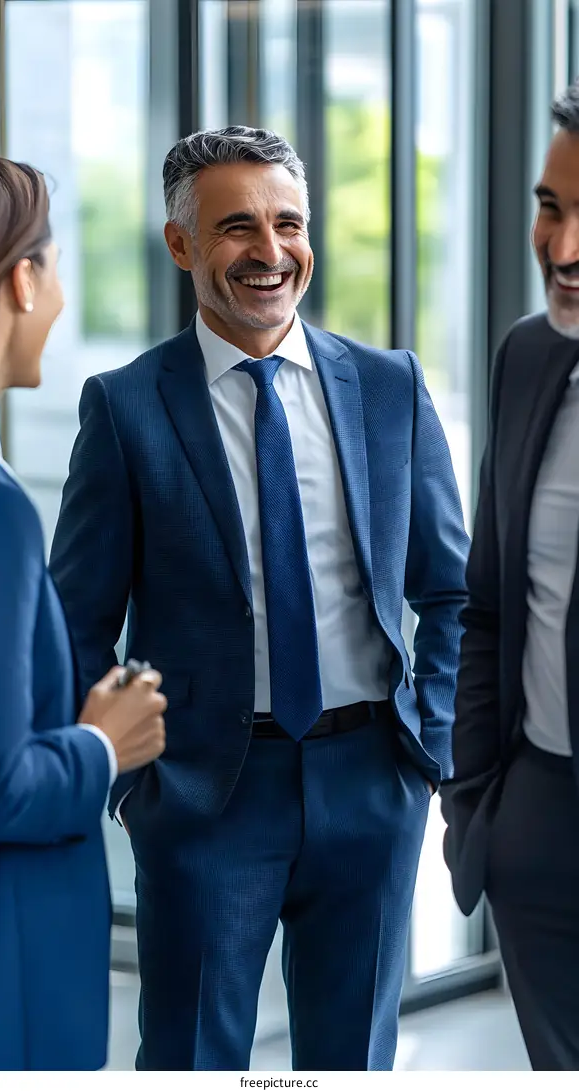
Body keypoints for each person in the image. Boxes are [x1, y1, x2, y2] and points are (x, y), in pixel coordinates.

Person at [50, 126, 468, 1072]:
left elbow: (452, 591)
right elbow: (74, 624)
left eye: (289, 223)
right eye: (238, 227)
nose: (271, 252)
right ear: (180, 243)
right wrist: (132, 780)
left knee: (350, 1059)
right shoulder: (124, 408)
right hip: (206, 795)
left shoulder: (391, 389)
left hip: (372, 780)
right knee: (195, 1056)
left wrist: (426, 749)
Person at [0, 156, 168, 1072]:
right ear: (22, 278)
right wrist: (104, 741)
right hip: (5, 979)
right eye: (54, 266)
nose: (57, 296)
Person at [441, 82, 579, 1071]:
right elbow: (486, 603)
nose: (562, 249)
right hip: (537, 831)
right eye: (550, 205)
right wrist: (480, 811)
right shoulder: (528, 358)